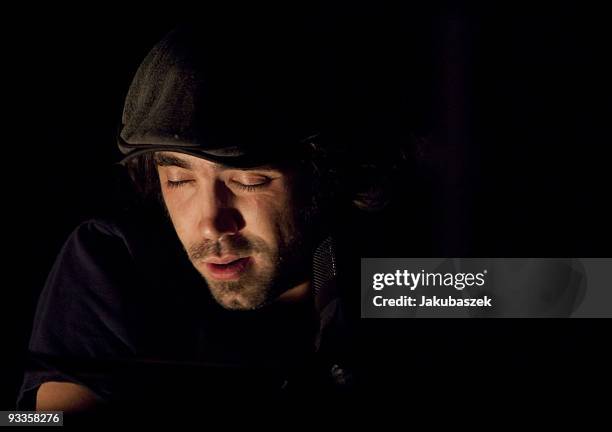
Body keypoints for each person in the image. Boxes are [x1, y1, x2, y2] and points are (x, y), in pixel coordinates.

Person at [17, 25, 373, 414]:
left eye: (248, 181)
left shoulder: (403, 258)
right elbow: (32, 422)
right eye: (179, 179)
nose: (210, 223)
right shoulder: (115, 258)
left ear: (324, 176)